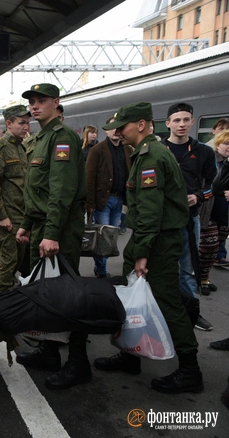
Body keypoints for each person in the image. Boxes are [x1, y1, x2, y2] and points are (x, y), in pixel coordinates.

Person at [94, 102, 203, 395]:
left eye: (122, 127)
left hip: (158, 242)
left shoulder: (151, 156)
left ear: (141, 125)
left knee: (167, 302)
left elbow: (151, 211)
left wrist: (142, 252)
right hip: (148, 238)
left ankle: (190, 370)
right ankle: (130, 355)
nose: (118, 133)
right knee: (133, 299)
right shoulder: (144, 153)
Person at [14, 83, 88, 390]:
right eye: (31, 101)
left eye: (41, 100)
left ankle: (79, 363)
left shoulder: (62, 138)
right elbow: (38, 189)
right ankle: (49, 352)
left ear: (56, 103)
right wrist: (27, 223)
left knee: (67, 296)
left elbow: (61, 190)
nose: (34, 106)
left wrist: (52, 233)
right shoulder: (41, 138)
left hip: (59, 229)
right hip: (43, 226)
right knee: (45, 293)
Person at [161, 103, 216, 331]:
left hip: (189, 218)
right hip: (162, 220)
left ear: (193, 122)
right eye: (176, 120)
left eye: (186, 120)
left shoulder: (204, 152)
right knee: (161, 267)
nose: (181, 124)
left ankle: (191, 312)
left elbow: (212, 185)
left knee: (187, 268)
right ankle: (162, 312)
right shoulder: (158, 150)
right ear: (168, 124)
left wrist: (198, 196)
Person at [0, 105, 30, 290]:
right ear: (9, 124)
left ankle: (14, 296)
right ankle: (1, 298)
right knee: (9, 262)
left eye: (27, 123)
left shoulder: (21, 147)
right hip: (9, 217)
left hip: (24, 215)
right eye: (21, 123)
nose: (26, 127)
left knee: (21, 261)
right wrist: (2, 216)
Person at [85, 117, 133, 278]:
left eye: (119, 127)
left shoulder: (127, 150)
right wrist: (90, 203)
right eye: (113, 127)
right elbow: (89, 177)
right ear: (106, 130)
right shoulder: (97, 150)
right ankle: (102, 270)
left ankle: (100, 266)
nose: (116, 131)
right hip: (102, 200)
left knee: (112, 236)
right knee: (103, 236)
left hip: (119, 200)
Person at [209, 130, 229, 351]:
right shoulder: (220, 164)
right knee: (208, 247)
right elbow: (215, 187)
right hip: (215, 214)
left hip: (224, 216)